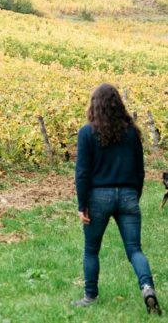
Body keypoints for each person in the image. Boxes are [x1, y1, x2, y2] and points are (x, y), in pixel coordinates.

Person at [73, 83, 160, 315]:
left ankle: (90, 296)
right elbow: (140, 170)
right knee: (134, 249)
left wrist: (82, 205)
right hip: (128, 194)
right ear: (118, 104)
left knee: (91, 249)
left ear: (94, 105)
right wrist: (134, 195)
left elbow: (82, 172)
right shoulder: (132, 133)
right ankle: (147, 286)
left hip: (98, 196)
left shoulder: (86, 132)